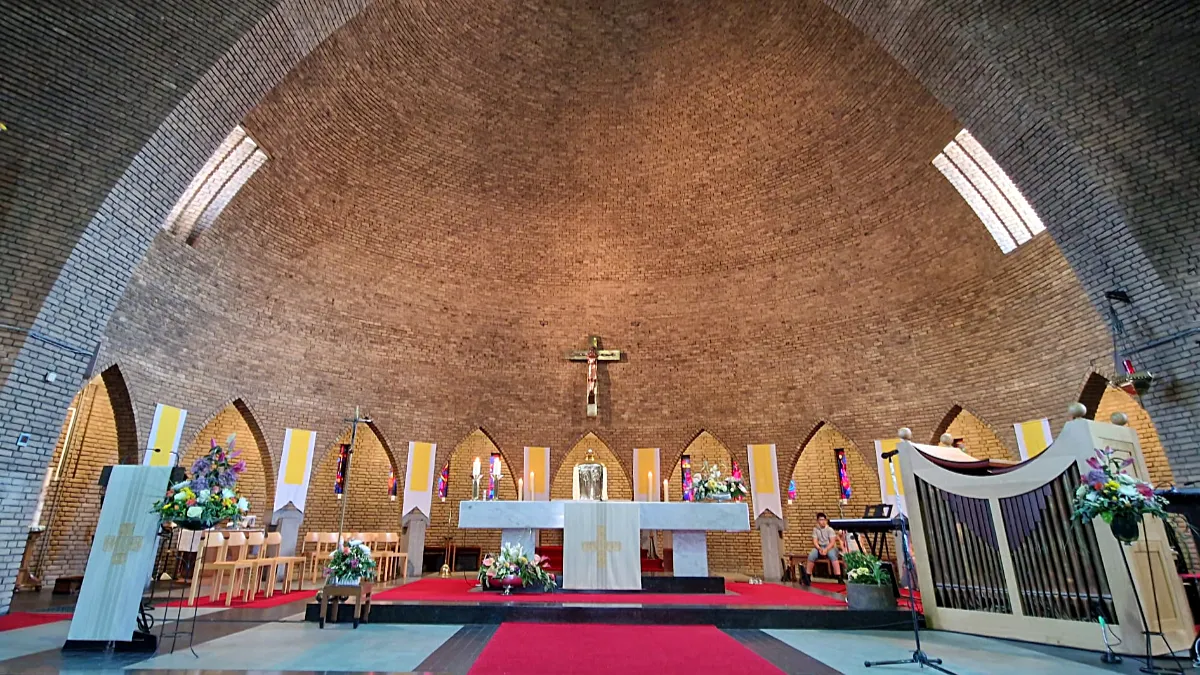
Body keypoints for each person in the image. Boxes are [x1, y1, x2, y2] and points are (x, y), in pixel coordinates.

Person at [802, 512, 841, 585]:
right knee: (811, 555)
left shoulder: (830, 529)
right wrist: (819, 548)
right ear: (818, 521)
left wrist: (826, 549)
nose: (823, 522)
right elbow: (815, 541)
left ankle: (839, 577)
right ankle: (807, 576)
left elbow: (832, 542)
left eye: (824, 520)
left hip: (830, 547)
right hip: (820, 546)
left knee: (832, 555)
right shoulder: (815, 529)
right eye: (821, 520)